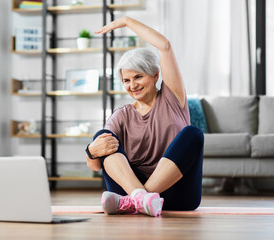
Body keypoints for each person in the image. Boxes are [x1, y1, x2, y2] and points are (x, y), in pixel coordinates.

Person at [86, 17, 204, 217]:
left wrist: (126, 21)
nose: (132, 85)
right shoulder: (121, 115)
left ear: (155, 76)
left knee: (193, 134)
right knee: (103, 135)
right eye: (126, 80)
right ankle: (141, 198)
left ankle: (136, 200)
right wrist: (91, 151)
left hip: (177, 196)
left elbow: (165, 46)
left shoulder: (171, 98)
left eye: (138, 77)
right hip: (129, 187)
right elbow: (96, 165)